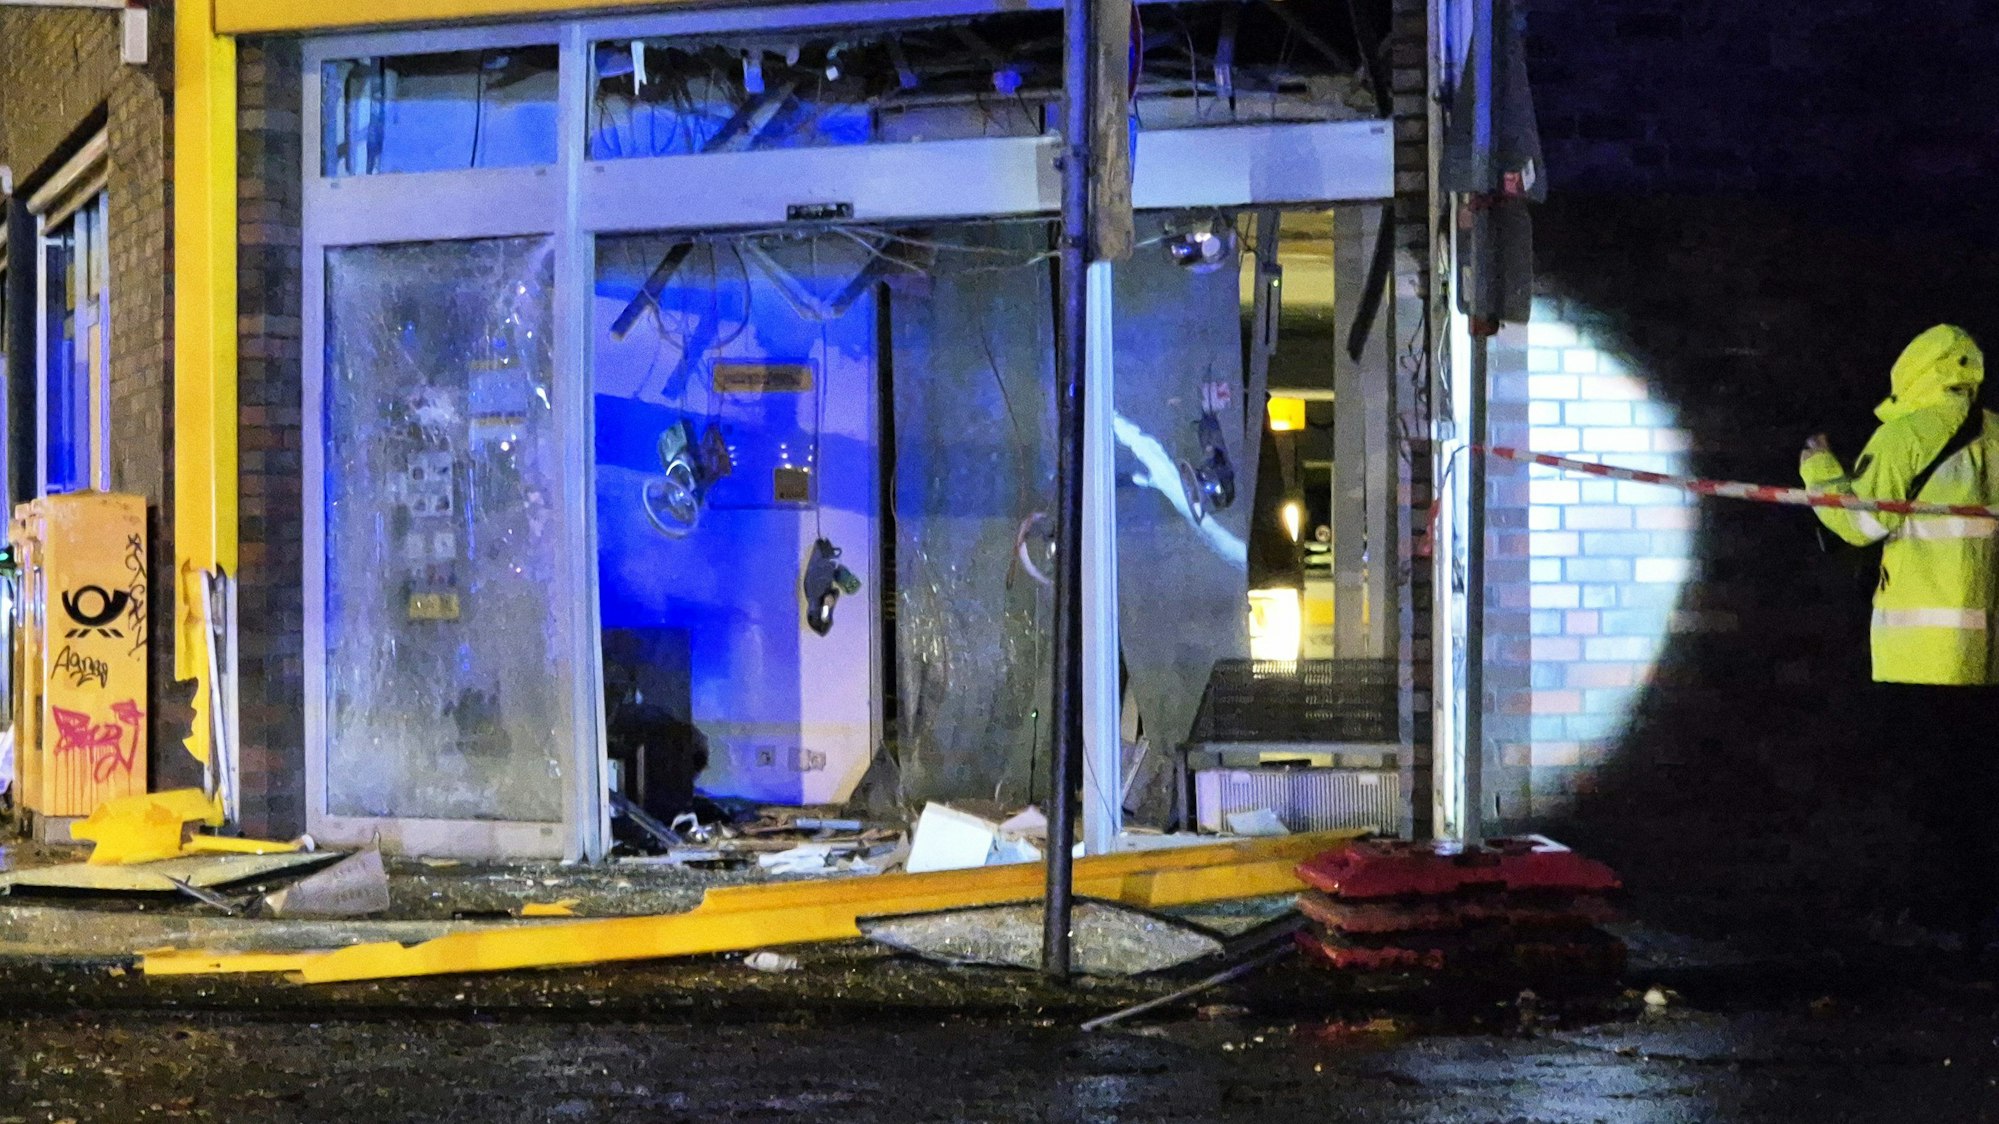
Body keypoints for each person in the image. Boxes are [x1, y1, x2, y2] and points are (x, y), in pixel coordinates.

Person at [1802, 324, 1999, 956]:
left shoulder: (1908, 432)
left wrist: (1818, 469)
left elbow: (1860, 524)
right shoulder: (1994, 433)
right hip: (1987, 654)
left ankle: (1935, 919)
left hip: (1920, 653)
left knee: (1925, 792)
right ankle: (1975, 919)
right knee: (1975, 789)